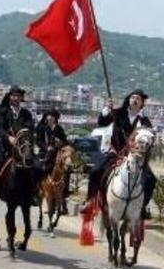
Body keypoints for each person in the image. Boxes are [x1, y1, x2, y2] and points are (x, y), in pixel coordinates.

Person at [85, 89, 155, 217]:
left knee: (151, 179)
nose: (135, 100)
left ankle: (142, 206)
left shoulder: (144, 120)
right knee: (95, 171)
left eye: (138, 99)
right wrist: (107, 109)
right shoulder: (118, 113)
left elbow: (149, 134)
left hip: (134, 156)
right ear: (129, 100)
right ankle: (90, 200)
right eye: (133, 97)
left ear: (141, 103)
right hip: (116, 153)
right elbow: (102, 122)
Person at [0, 85, 35, 201]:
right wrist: (8, 138)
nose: (16, 98)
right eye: (13, 96)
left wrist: (22, 137)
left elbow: (30, 128)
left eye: (18, 96)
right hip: (5, 148)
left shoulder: (26, 114)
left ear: (21, 98)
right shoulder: (3, 112)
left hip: (23, 148)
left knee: (37, 166)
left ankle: (33, 194)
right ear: (9, 97)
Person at [35, 109, 68, 207]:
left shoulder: (59, 129)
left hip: (57, 154)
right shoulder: (42, 128)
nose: (50, 118)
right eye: (48, 116)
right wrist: (46, 147)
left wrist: (60, 142)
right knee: (37, 167)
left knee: (67, 169)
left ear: (55, 119)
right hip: (44, 153)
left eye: (52, 117)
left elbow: (65, 141)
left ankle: (64, 195)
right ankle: (37, 191)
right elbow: (38, 141)